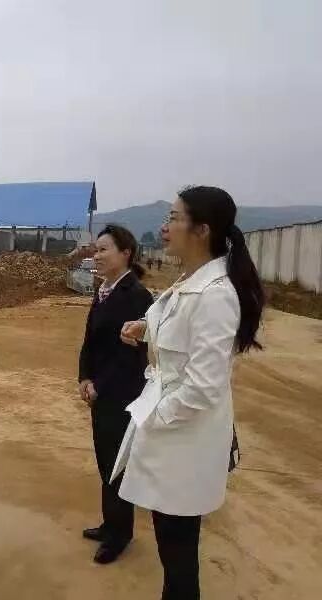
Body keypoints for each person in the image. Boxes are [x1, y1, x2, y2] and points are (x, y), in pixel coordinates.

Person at [116, 186, 265, 600]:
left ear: (202, 230)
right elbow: (176, 325)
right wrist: (145, 328)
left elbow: (203, 386)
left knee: (178, 550)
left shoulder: (216, 295)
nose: (165, 226)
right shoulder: (189, 281)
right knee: (170, 542)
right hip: (173, 433)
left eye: (174, 217)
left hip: (183, 439)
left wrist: (156, 417)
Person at [78, 225, 153, 565]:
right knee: (105, 459)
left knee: (117, 464)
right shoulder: (104, 290)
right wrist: (84, 376)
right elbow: (90, 341)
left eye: (104, 249)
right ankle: (111, 524)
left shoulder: (136, 295)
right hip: (100, 391)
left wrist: (100, 386)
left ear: (126, 253)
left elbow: (130, 355)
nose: (97, 255)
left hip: (122, 394)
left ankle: (120, 535)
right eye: (96, 249)